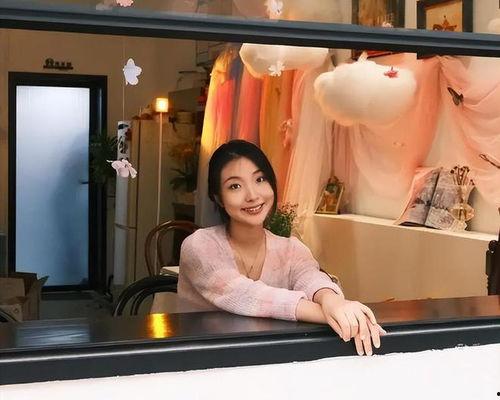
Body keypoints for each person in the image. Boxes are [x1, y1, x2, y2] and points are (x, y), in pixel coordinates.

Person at [178, 140, 386, 356]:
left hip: (269, 359)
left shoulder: (291, 248)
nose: (252, 195)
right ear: (218, 198)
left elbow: (310, 278)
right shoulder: (199, 246)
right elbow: (245, 295)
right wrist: (328, 314)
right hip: (199, 362)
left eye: (260, 179)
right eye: (235, 186)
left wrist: (332, 300)